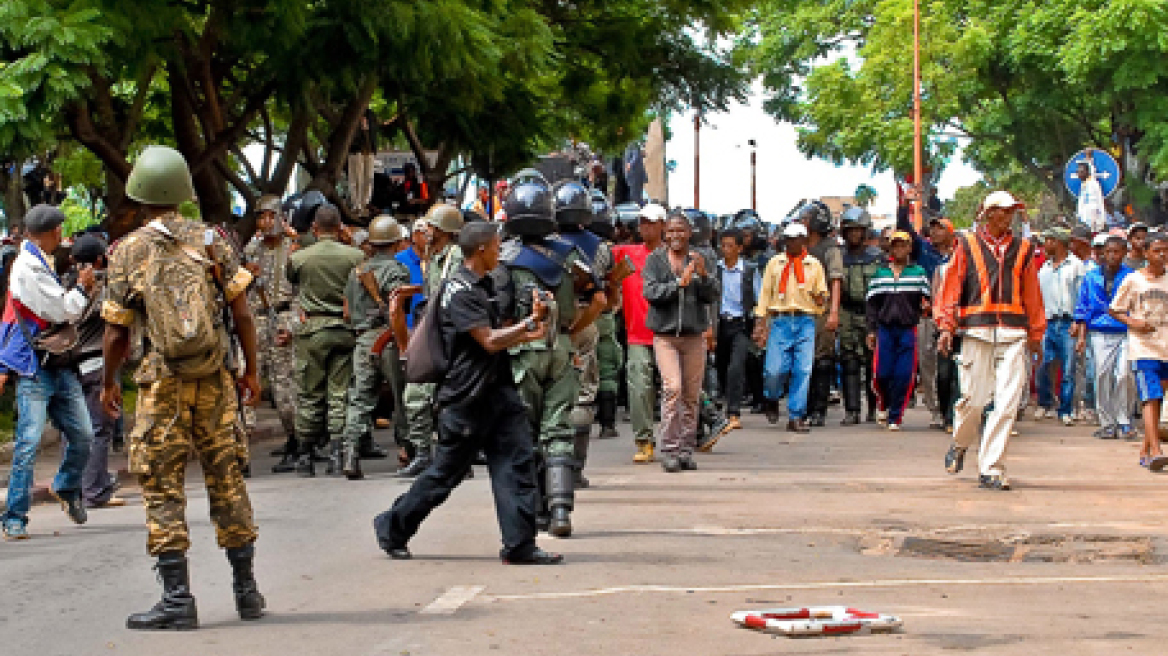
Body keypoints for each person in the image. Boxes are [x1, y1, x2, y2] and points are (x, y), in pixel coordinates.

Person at [99, 145, 264, 629]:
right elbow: (242, 313)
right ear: (183, 194)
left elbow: (115, 332)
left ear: (139, 196)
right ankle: (247, 592)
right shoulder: (213, 240)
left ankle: (177, 599)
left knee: (161, 484)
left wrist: (110, 383)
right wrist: (250, 371)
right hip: (215, 379)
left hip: (162, 383)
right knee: (227, 477)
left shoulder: (128, 251)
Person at [372, 222, 563, 565]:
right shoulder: (459, 291)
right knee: (445, 474)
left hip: (498, 391)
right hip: (466, 397)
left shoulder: (487, 284)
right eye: (496, 246)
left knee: (517, 465)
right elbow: (488, 340)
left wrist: (530, 331)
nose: (500, 251)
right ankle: (393, 526)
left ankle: (520, 544)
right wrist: (529, 326)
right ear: (480, 250)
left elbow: (499, 336)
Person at [498, 182, 603, 537]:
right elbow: (601, 301)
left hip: (520, 352)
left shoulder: (504, 258)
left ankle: (534, 511)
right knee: (558, 428)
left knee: (525, 432)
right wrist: (573, 330)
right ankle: (561, 510)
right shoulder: (571, 255)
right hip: (561, 350)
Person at [937, 191, 1046, 491]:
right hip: (976, 331)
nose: (1008, 216)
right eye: (1002, 211)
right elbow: (952, 287)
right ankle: (960, 444)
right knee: (973, 401)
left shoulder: (1023, 249)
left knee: (1007, 403)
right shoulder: (967, 246)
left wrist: (1036, 333)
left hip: (1013, 333)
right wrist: (947, 326)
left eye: (1011, 211)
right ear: (988, 214)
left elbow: (1032, 294)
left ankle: (992, 467)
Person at [0, 204, 96, 540]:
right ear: (53, 232)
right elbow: (64, 309)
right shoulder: (28, 267)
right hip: (35, 366)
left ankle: (67, 485)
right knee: (28, 444)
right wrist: (83, 289)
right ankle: (14, 515)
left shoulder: (42, 259)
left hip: (57, 362)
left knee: (84, 434)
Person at [279, 205, 365, 476]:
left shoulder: (301, 258)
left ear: (315, 228)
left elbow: (290, 277)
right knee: (340, 392)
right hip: (344, 328)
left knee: (309, 393)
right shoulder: (355, 256)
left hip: (312, 330)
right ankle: (337, 453)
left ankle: (305, 455)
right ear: (340, 227)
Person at [340, 216, 415, 479]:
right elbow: (397, 309)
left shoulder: (356, 272)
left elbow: (347, 312)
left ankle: (350, 452)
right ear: (396, 242)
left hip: (363, 339)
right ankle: (409, 448)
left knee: (360, 397)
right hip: (388, 338)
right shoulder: (397, 270)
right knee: (401, 396)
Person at [643, 213, 718, 471]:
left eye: (680, 231)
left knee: (691, 394)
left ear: (689, 233)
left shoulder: (701, 258)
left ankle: (686, 449)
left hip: (693, 336)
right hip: (665, 336)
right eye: (671, 231)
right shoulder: (655, 260)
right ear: (665, 234)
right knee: (672, 388)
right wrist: (678, 284)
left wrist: (704, 276)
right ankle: (670, 449)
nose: (675, 236)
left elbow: (712, 296)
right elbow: (650, 292)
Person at [552, 181, 613, 487]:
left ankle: (550, 468)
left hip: (546, 324)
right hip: (585, 319)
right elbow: (605, 298)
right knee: (584, 394)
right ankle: (574, 470)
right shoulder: (600, 247)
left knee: (550, 395)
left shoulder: (541, 243)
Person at [400, 204, 465, 476]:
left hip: (449, 333)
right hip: (434, 330)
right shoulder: (434, 256)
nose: (425, 231)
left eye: (430, 226)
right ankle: (424, 453)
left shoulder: (455, 256)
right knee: (417, 393)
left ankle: (453, 455)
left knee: (442, 396)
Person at [68, 233, 126, 509]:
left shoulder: (67, 287)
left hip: (74, 365)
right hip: (97, 364)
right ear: (101, 259)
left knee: (82, 429)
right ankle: (95, 491)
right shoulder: (101, 290)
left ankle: (82, 485)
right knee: (100, 429)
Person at [753, 222, 827, 433]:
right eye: (789, 239)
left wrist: (820, 299)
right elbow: (765, 294)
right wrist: (760, 321)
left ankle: (796, 416)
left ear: (804, 241)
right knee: (774, 369)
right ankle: (772, 396)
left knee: (802, 369)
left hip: (805, 320)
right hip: (781, 320)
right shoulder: (775, 264)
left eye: (796, 239)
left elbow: (822, 292)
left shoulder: (814, 265)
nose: (792, 243)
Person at [244, 195, 299, 461]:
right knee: (247, 381)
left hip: (283, 315)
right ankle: (241, 447)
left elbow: (302, 292)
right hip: (256, 318)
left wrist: (294, 324)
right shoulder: (252, 248)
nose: (266, 222)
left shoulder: (293, 248)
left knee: (284, 389)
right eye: (261, 217)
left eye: (270, 216)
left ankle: (297, 440)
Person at [1108, 232, 1168, 470]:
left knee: (1157, 399)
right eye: (1157, 250)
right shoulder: (1133, 280)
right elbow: (1115, 309)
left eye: (1165, 250)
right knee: (1149, 397)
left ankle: (1144, 450)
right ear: (1146, 253)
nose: (1162, 255)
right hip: (1143, 349)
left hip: (1165, 347)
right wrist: (1134, 323)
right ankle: (1156, 450)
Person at [613, 203, 667, 462]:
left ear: (662, 226)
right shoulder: (626, 253)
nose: (645, 226)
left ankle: (698, 426)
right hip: (637, 333)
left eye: (651, 222)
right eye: (642, 222)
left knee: (678, 387)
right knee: (639, 386)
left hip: (669, 332)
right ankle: (644, 440)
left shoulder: (673, 256)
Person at [865, 231, 931, 431]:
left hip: (908, 329)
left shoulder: (918, 273)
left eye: (903, 245)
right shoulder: (879, 274)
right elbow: (871, 305)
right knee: (882, 373)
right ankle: (883, 404)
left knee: (904, 374)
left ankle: (895, 416)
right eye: (896, 246)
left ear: (910, 248)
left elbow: (928, 299)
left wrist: (926, 307)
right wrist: (871, 330)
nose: (899, 249)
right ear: (890, 249)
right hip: (885, 329)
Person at [1075, 236, 1136, 440]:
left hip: (1125, 331)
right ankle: (1107, 422)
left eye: (1116, 251)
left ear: (1124, 253)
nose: (1111, 255)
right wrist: (1082, 337)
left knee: (1124, 375)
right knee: (1102, 375)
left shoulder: (1131, 277)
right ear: (1103, 253)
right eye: (1108, 251)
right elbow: (1082, 308)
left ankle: (1124, 420)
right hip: (1099, 332)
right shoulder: (1091, 276)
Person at [1034, 227, 1087, 426]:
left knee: (1068, 368)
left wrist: (1079, 322)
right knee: (1044, 364)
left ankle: (1065, 409)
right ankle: (1045, 403)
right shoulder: (1044, 268)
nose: (1045, 245)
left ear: (1058, 242)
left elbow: (1081, 297)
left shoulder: (1076, 266)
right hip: (1047, 321)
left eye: (1048, 240)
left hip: (1068, 321)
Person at [838, 207, 886, 424]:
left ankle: (874, 408)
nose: (854, 235)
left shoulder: (877, 258)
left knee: (872, 361)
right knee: (849, 361)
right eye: (850, 230)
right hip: (846, 311)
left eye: (858, 230)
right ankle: (852, 410)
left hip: (871, 311)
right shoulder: (838, 257)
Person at [801, 203, 843, 427]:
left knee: (822, 359)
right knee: (802, 361)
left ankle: (819, 408)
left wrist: (833, 312)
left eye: (806, 219)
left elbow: (836, 279)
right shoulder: (798, 246)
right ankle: (803, 407)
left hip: (822, 310)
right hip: (800, 310)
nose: (803, 223)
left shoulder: (830, 248)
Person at [715, 228, 758, 430]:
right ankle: (724, 402)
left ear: (740, 248)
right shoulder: (716, 270)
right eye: (723, 245)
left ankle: (733, 411)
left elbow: (758, 299)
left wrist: (759, 324)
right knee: (721, 366)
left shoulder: (749, 270)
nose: (726, 250)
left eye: (730, 246)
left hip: (741, 324)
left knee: (736, 366)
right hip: (720, 324)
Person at [1076, 158, 1107, 232]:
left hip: (1092, 224)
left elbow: (1093, 205)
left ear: (1087, 172)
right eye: (1078, 172)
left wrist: (1090, 224)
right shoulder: (1084, 184)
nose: (1079, 174)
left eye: (1081, 172)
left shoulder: (1092, 184)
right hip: (1084, 222)